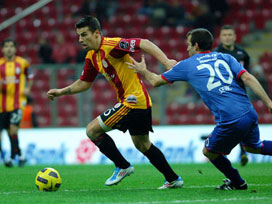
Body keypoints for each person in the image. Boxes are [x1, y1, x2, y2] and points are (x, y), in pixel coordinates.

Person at [127, 28, 272, 190]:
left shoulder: (187, 65)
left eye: (188, 45)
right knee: (253, 147)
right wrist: (268, 102)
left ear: (196, 45)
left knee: (209, 151)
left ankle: (238, 182)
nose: (187, 48)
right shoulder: (225, 57)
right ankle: (237, 181)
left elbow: (155, 81)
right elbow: (248, 77)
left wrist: (142, 71)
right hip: (249, 111)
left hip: (231, 118)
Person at [47, 16, 182, 189]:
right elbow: (84, 83)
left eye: (84, 34)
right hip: (141, 102)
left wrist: (166, 62)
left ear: (96, 33)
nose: (80, 39)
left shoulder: (111, 46)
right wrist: (61, 92)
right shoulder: (91, 56)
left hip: (132, 101)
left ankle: (123, 166)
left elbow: (144, 43)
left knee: (92, 131)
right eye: (79, 35)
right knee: (143, 144)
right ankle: (173, 179)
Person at [213, 25, 251, 166]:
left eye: (230, 35)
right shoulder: (215, 54)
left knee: (241, 123)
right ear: (220, 37)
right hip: (223, 95)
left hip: (240, 94)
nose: (227, 37)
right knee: (227, 123)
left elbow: (247, 74)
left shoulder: (243, 54)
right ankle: (225, 151)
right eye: (225, 35)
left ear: (235, 37)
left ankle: (240, 151)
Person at [0, 39, 33, 167]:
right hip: (1, 105)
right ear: (2, 49)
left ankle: (11, 157)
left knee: (13, 130)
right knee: (7, 132)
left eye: (11, 46)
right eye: (6, 46)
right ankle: (17, 155)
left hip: (17, 103)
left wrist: (28, 88)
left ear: (15, 49)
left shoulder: (22, 63)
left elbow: (30, 76)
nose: (9, 49)